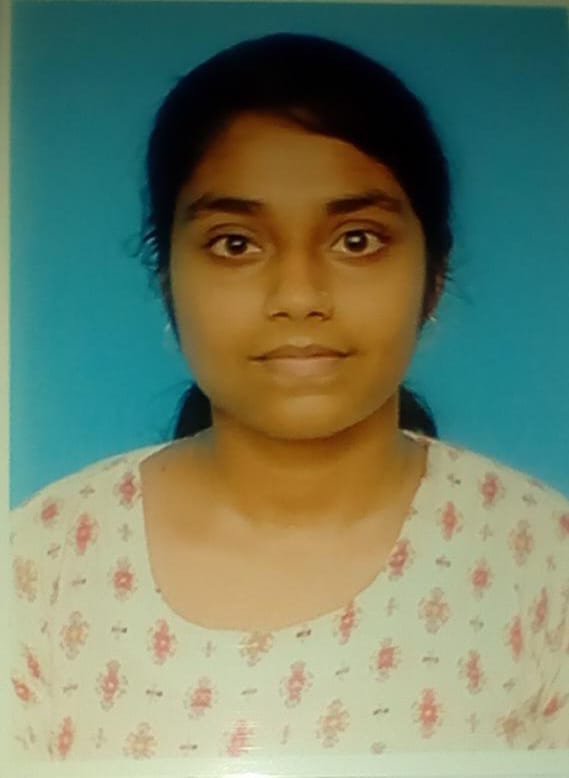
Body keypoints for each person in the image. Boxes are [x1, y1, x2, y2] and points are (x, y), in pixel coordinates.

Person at [9, 32, 569, 762]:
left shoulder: (542, 565)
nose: (299, 296)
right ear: (166, 276)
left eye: (357, 240)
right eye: (236, 243)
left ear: (433, 275)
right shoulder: (41, 565)